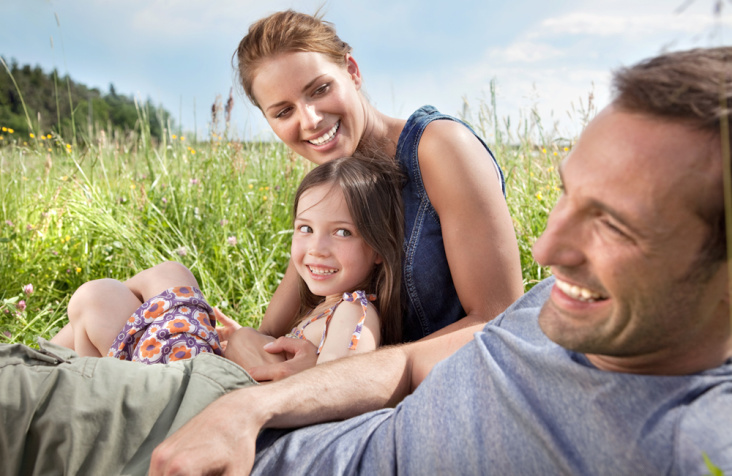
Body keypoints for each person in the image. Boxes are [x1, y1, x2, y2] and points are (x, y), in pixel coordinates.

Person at [2, 47, 730, 475]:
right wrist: (251, 403)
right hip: (249, 422)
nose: (546, 250)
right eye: (567, 196)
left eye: (613, 225)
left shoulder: (694, 427)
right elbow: (407, 366)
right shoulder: (571, 306)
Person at [228, 9, 524, 380]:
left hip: (454, 390)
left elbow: (498, 321)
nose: (310, 120)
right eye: (284, 111)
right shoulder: (332, 187)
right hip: (362, 394)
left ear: (352, 71)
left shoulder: (441, 149)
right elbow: (268, 331)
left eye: (320, 89)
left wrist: (338, 374)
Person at [55, 155, 404, 369]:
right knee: (163, 275)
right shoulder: (327, 308)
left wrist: (253, 351)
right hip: (198, 377)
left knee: (98, 300)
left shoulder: (355, 311)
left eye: (342, 233)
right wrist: (246, 342)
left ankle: (50, 372)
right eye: (306, 229)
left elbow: (339, 391)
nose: (317, 248)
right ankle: (61, 373)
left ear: (378, 249)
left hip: (196, 394)